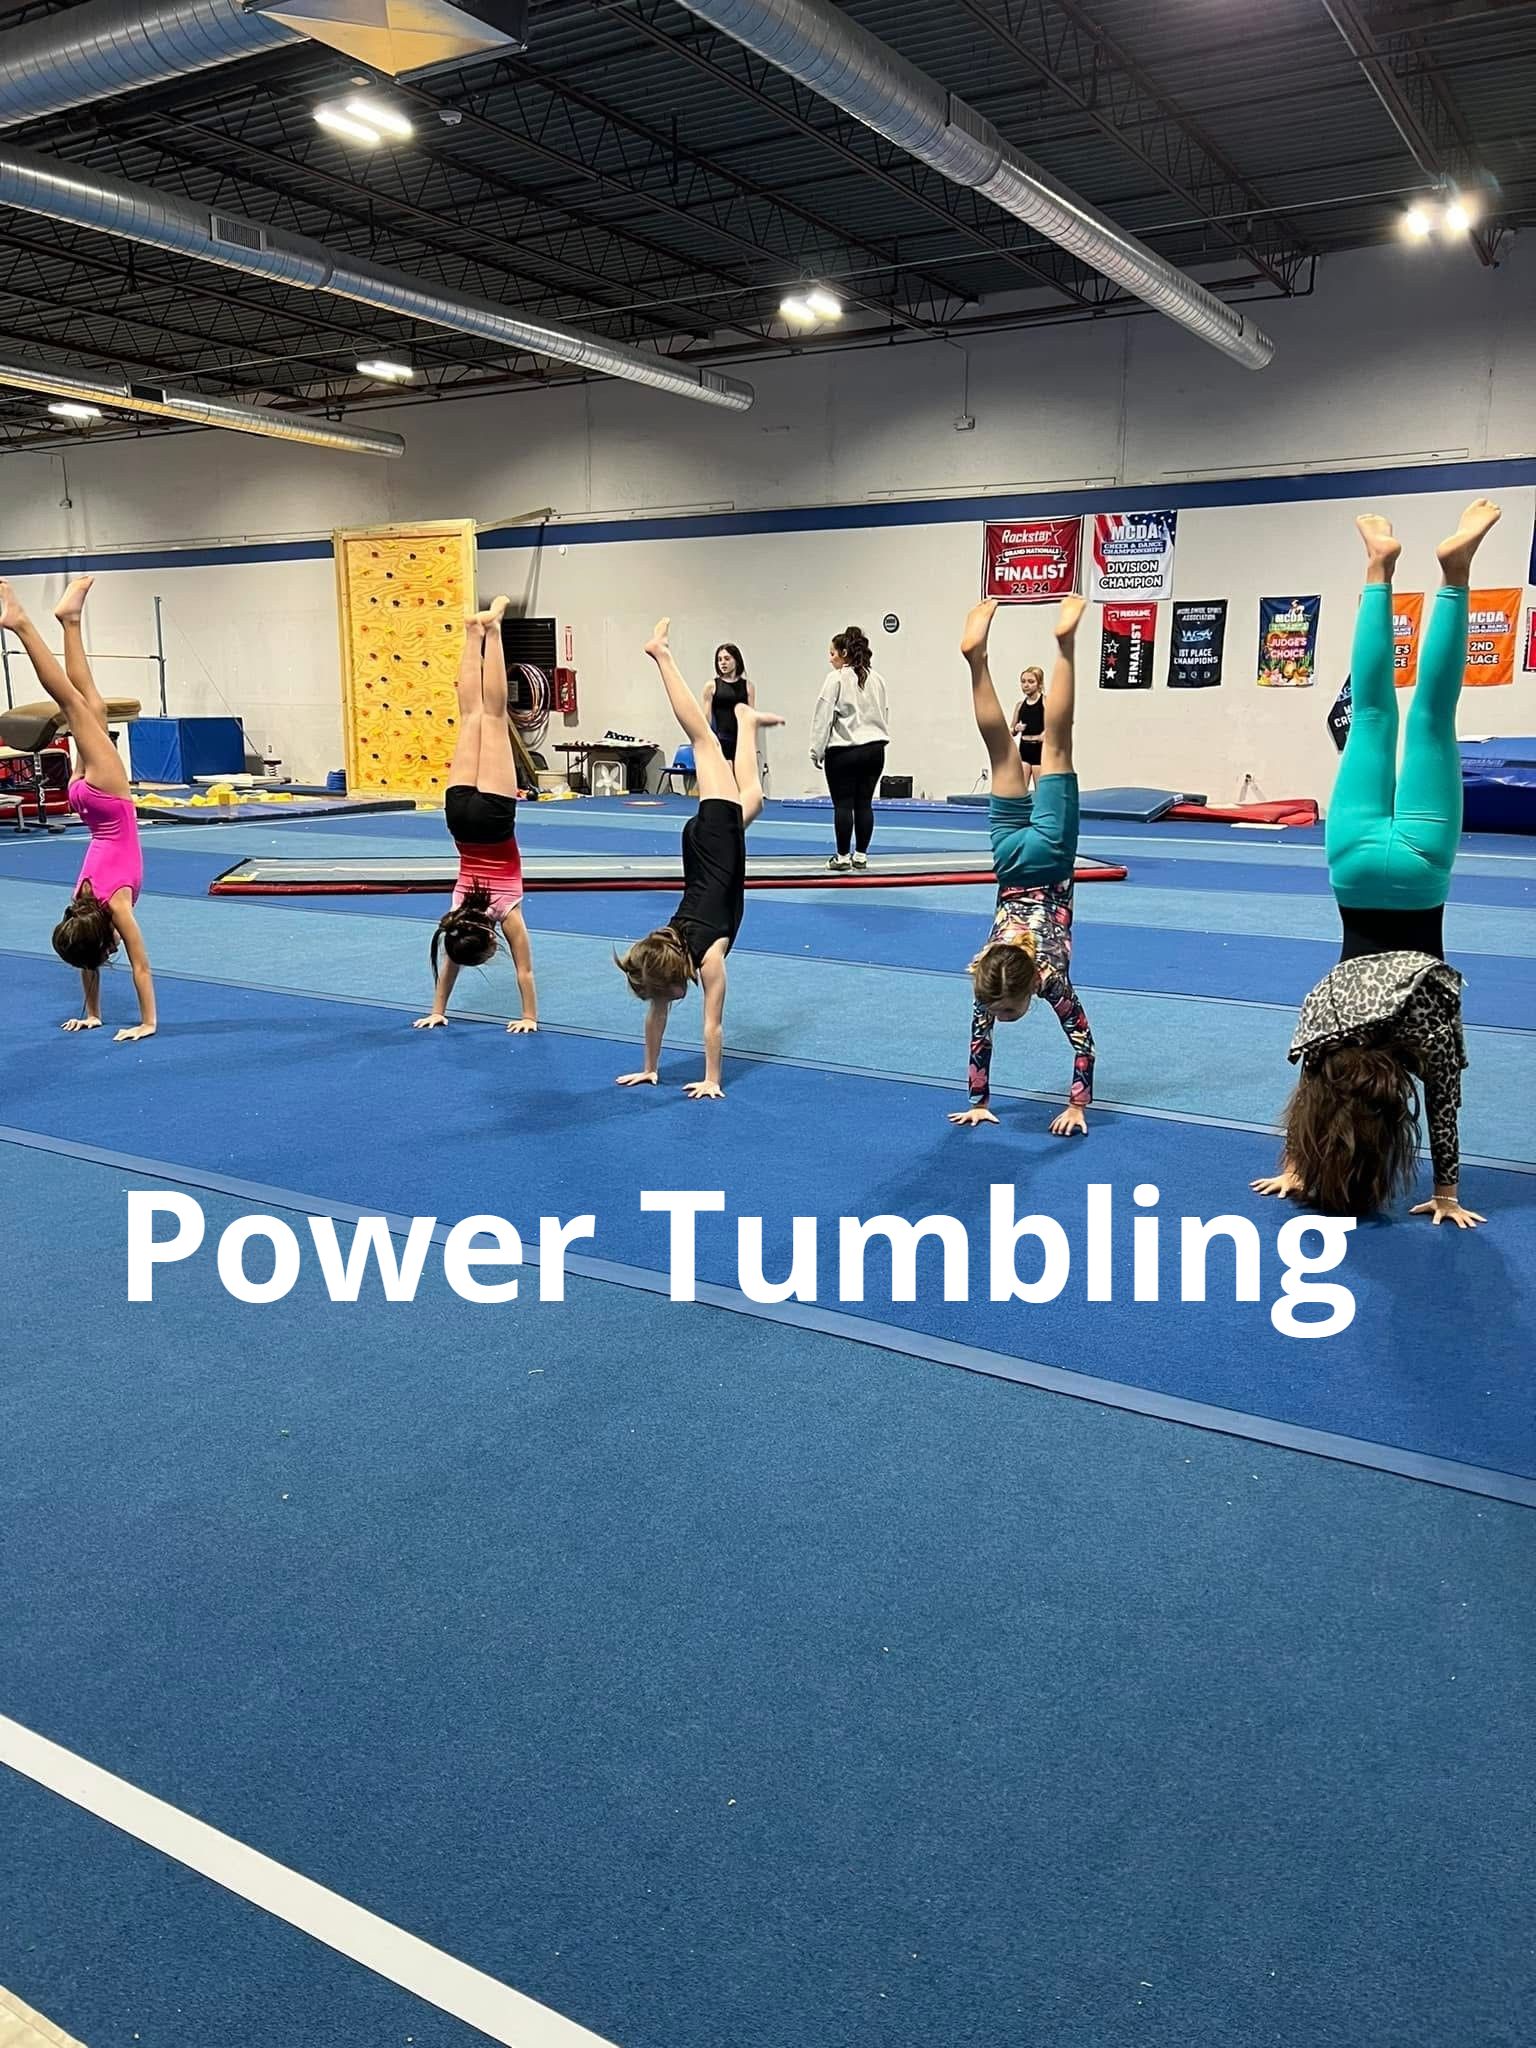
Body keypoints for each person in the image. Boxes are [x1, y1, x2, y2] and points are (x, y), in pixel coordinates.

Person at [1255, 502, 1499, 1226]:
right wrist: (1297, 1166)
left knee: (1429, 716)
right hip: (1356, 863)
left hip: (1422, 868)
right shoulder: (1320, 1041)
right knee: (1372, 713)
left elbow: (1446, 1110)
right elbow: (1308, 1102)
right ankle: (1378, 565)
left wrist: (1447, 1192)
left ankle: (1454, 574)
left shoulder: (1426, 1041)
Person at [615, 618, 782, 1100]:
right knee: (755, 798)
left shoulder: (706, 958)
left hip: (713, 841)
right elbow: (660, 1011)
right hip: (706, 849)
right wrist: (650, 1068)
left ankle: (660, 655)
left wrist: (712, 1078)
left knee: (704, 740)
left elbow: (713, 1026)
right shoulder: (669, 951)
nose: (662, 1004)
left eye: (661, 995)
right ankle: (747, 723)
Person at [948, 596, 1094, 1138]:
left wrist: (1078, 1104)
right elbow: (981, 1034)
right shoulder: (986, 971)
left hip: (1052, 856)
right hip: (1008, 860)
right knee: (1000, 750)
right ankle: (977, 660)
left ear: (1031, 980)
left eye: (1005, 1013)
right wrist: (979, 1099)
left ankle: (1066, 645)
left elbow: (1083, 1040)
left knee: (1057, 742)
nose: (1001, 1018)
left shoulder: (1044, 978)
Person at [0, 575, 156, 1041]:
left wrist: (148, 1023)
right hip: (85, 803)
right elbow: (92, 956)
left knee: (71, 702)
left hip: (108, 802)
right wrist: (93, 1012)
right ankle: (70, 621)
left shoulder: (117, 910)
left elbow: (142, 968)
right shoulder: (81, 905)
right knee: (90, 705)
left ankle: (20, 623)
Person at [415, 598, 538, 1033]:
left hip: (493, 820)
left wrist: (529, 1016)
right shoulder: (455, 914)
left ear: (490, 938)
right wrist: (436, 1008)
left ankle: (496, 628)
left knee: (493, 715)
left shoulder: (506, 912)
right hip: (460, 820)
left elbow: (525, 972)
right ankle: (473, 630)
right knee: (469, 717)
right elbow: (447, 963)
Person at [810, 625, 890, 872]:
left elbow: (823, 716)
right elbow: (884, 713)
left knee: (843, 804)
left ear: (844, 653)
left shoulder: (835, 679)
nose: (830, 658)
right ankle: (861, 855)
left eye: (832, 653)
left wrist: (817, 749)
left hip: (845, 750)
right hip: (875, 749)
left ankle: (842, 857)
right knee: (864, 803)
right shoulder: (877, 679)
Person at [703, 643, 755, 765]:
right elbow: (706, 719)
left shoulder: (748, 686)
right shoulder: (711, 686)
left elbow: (751, 718)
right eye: (719, 659)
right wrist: (708, 742)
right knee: (725, 777)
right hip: (721, 739)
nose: (722, 663)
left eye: (727, 659)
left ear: (736, 661)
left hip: (741, 741)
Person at [1011, 665, 1046, 789]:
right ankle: (1021, 808)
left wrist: (1045, 733)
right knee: (1021, 788)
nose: (1026, 685)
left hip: (1040, 749)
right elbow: (1012, 730)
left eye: (1031, 682)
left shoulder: (1045, 702)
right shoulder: (1020, 705)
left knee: (1040, 789)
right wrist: (1016, 728)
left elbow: (1055, 724)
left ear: (1039, 684)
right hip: (1024, 749)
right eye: (1023, 682)